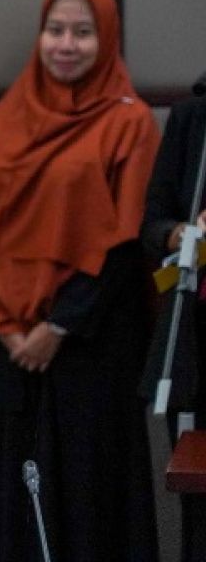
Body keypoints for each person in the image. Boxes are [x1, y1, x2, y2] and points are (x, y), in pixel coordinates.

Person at [0, 0, 160, 561]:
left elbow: (125, 242)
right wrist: (12, 330)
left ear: (107, 41)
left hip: (89, 346)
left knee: (91, 493)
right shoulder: (9, 117)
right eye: (55, 30)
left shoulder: (130, 123)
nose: (66, 44)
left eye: (83, 32)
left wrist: (57, 327)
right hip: (7, 346)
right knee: (9, 497)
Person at [142, 91, 206, 561]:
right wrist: (185, 234)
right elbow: (152, 225)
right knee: (198, 520)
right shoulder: (194, 114)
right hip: (197, 346)